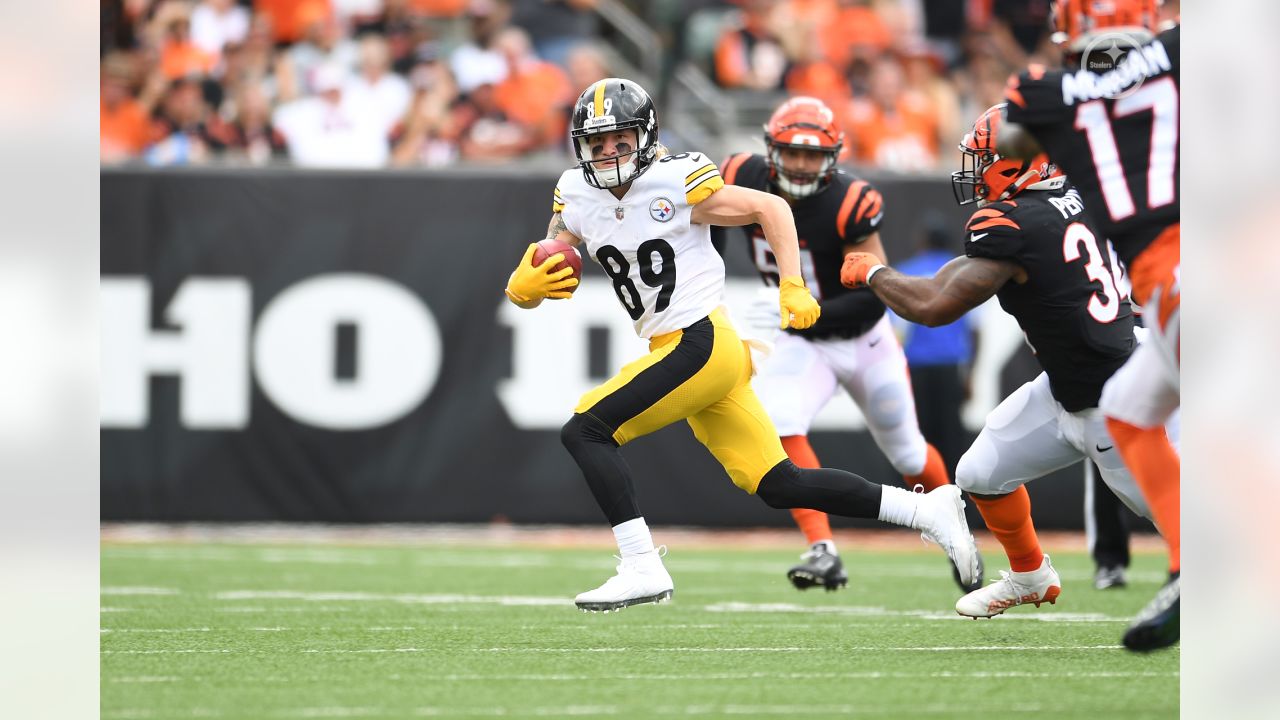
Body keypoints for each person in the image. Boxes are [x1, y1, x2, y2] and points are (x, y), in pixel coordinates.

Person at [504, 78, 980, 612]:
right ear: (581, 147)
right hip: (684, 347)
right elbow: (558, 242)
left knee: (587, 430)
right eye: (598, 144)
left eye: (621, 141)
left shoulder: (675, 179)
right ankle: (927, 512)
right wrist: (524, 287)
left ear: (646, 137)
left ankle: (640, 563)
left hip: (700, 340)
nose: (609, 153)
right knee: (781, 483)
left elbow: (771, 208)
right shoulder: (577, 191)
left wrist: (793, 284)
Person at [841, 103, 1154, 620]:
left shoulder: (1012, 224)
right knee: (981, 472)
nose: (976, 171)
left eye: (983, 159)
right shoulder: (1072, 198)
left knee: (1178, 516)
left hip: (1114, 401)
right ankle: (1031, 577)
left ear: (1015, 161)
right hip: (1073, 383)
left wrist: (875, 274)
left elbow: (933, 306)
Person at [712, 96, 979, 594]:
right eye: (791, 152)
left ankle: (955, 531)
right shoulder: (740, 175)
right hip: (799, 341)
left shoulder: (850, 202)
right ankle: (822, 548)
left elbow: (870, 302)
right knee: (779, 426)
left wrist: (798, 309)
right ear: (771, 150)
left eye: (812, 155)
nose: (799, 164)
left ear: (832, 157)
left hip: (861, 340)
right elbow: (709, 227)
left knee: (907, 451)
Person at [996, 0, 1180, 651]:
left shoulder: (1046, 93)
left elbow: (1012, 140)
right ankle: (1194, 567)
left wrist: (1079, 86)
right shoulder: (1183, 54)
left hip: (1176, 269)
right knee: (1129, 409)